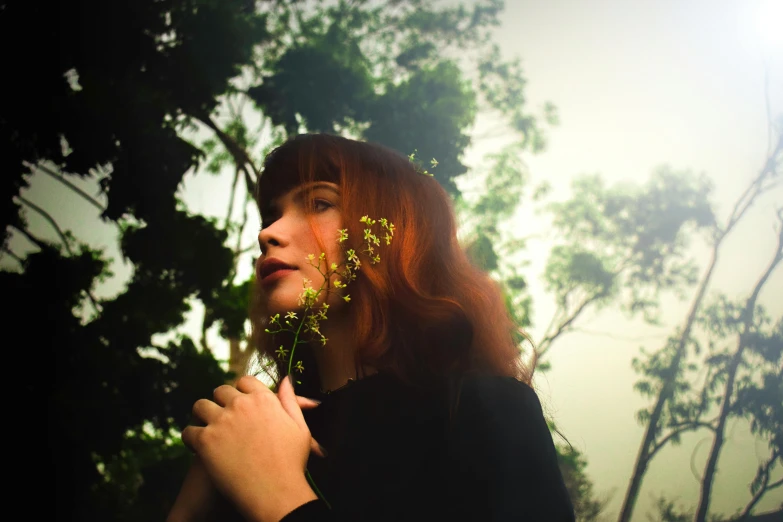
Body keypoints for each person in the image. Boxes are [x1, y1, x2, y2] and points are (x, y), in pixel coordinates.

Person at [167, 134, 575, 522]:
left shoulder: (481, 410)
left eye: (319, 203)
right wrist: (190, 511)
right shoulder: (254, 432)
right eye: (272, 214)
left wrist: (279, 498)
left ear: (393, 232)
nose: (266, 233)